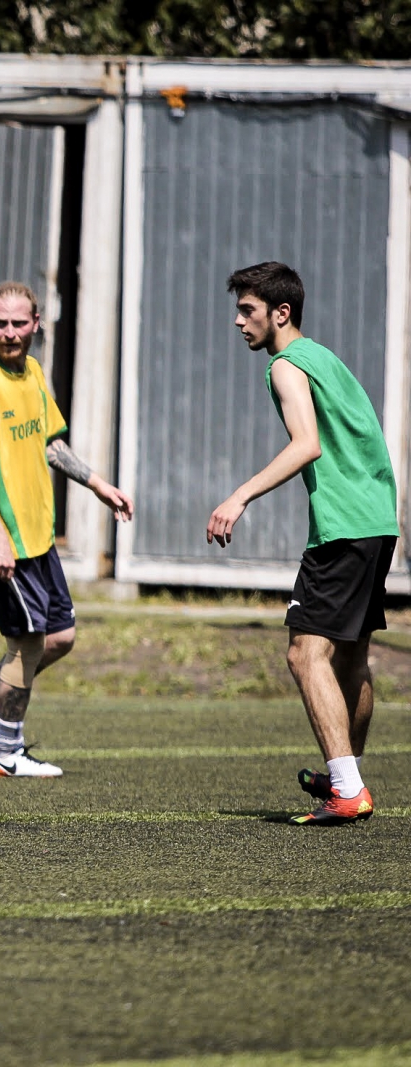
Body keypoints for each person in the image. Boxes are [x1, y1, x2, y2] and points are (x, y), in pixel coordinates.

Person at [208, 262, 398, 826]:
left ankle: (346, 788)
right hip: (378, 520)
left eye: (248, 310)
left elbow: (307, 444)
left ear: (280, 312)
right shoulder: (324, 358)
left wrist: (238, 497)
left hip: (341, 527)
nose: (239, 321)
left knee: (304, 652)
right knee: (352, 656)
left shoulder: (286, 366)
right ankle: (348, 773)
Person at [0, 282, 134, 777]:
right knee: (26, 644)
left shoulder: (32, 373)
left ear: (37, 324)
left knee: (61, 636)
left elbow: (51, 445)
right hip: (3, 543)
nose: (10, 333)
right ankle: (7, 752)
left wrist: (97, 484)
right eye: (0, 323)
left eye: (19, 323)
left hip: (37, 536)